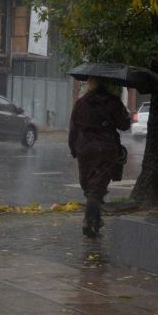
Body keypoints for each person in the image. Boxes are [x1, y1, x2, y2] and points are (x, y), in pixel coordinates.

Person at [68, 77, 132, 238]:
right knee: (96, 188)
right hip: (105, 149)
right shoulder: (112, 102)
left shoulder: (81, 103)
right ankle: (90, 222)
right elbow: (124, 125)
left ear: (90, 84)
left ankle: (94, 222)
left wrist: (73, 148)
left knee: (89, 186)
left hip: (85, 150)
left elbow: (73, 129)